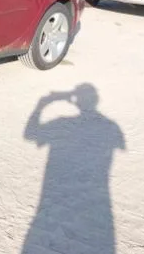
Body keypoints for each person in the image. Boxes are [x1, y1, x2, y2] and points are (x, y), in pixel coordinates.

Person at [22, 84, 125, 254]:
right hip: (99, 201)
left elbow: (29, 134)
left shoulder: (62, 122)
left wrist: (42, 104)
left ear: (75, 102)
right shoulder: (112, 127)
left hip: (53, 196)